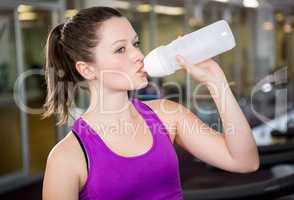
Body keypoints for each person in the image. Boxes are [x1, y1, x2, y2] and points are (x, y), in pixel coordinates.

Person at [41, 6, 259, 200]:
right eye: (121, 49)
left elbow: (245, 161)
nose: (138, 54)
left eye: (136, 43)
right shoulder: (66, 158)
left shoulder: (167, 115)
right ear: (86, 69)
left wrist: (215, 80)